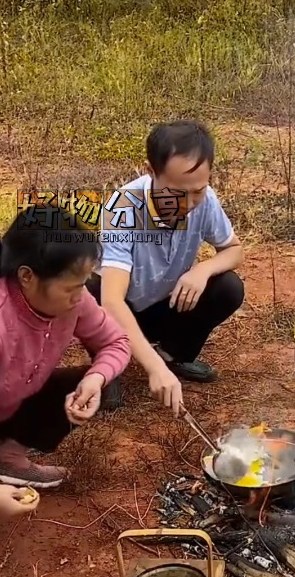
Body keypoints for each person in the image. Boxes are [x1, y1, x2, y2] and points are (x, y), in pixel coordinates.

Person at [0, 206, 131, 577]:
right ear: (27, 277)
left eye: (84, 282)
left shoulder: (72, 301)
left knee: (98, 381)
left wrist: (96, 379)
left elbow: (115, 342)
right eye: (72, 286)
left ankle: (6, 457)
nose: (81, 295)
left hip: (10, 398)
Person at [88, 119, 244, 416]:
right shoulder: (123, 207)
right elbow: (112, 300)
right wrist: (152, 368)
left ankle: (175, 354)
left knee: (228, 287)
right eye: (176, 192)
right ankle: (109, 364)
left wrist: (203, 269)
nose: (187, 203)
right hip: (122, 310)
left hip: (165, 304)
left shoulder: (206, 200)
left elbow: (234, 250)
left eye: (197, 191)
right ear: (151, 172)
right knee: (94, 292)